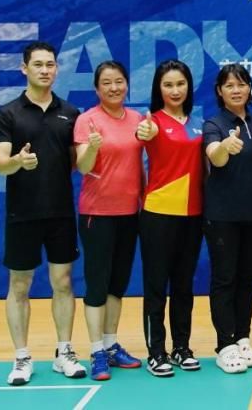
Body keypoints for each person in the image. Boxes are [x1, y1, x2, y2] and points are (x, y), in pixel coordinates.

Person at [0, 41, 86, 385]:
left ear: (56, 69)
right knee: (20, 285)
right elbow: (1, 164)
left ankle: (64, 352)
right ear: (24, 69)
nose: (45, 70)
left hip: (60, 213)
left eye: (50, 64)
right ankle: (21, 357)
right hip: (22, 214)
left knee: (63, 282)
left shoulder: (70, 113)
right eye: (38, 64)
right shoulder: (8, 114)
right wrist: (19, 160)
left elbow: (75, 162)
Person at [203, 64, 252, 374]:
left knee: (247, 279)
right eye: (229, 85)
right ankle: (225, 345)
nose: (236, 90)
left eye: (242, 84)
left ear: (249, 88)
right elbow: (214, 156)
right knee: (225, 279)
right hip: (222, 216)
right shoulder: (214, 124)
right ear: (219, 91)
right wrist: (225, 146)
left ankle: (242, 338)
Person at [74, 61, 145, 380]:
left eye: (119, 81)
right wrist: (92, 148)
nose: (114, 87)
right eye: (106, 83)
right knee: (97, 284)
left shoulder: (137, 119)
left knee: (117, 283)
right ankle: (96, 352)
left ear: (126, 85)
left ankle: (111, 344)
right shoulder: (87, 120)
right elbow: (82, 166)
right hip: (97, 214)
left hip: (129, 213)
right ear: (97, 88)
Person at [137, 59, 204, 377]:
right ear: (158, 89)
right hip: (159, 213)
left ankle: (181, 347)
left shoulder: (199, 123)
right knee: (156, 286)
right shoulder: (152, 122)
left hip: (193, 214)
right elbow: (142, 133)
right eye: (168, 85)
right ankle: (156, 351)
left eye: (180, 84)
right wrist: (144, 131)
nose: (175, 90)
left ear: (188, 86)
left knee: (183, 285)